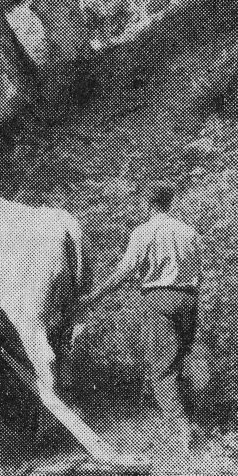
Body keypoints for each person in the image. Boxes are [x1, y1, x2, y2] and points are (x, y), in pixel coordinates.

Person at [78, 181, 204, 459]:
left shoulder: (143, 233)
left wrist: (95, 295)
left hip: (160, 300)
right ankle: (192, 420)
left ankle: (182, 435)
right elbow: (199, 271)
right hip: (190, 299)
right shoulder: (189, 231)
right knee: (181, 360)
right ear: (170, 202)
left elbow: (124, 271)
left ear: (148, 203)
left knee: (162, 369)